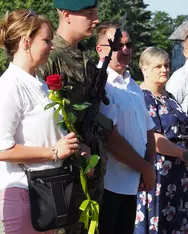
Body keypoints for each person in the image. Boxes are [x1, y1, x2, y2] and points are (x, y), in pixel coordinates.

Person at [0, 9, 81, 234]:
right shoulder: (9, 87)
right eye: (46, 40)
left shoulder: (39, 85)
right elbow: (2, 149)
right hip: (24, 193)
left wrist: (73, 147)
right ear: (26, 42)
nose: (52, 46)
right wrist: (54, 152)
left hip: (47, 191)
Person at [38, 1, 112, 233]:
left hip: (92, 175)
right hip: (66, 174)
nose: (96, 19)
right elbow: (43, 115)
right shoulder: (51, 58)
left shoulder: (85, 60)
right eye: (89, 14)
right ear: (67, 15)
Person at [95, 21, 156, 234]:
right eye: (117, 45)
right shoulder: (99, 83)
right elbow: (111, 137)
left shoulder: (132, 85)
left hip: (132, 183)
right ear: (100, 49)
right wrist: (145, 168)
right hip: (108, 184)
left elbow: (148, 131)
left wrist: (147, 167)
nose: (125, 49)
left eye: (128, 45)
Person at [134, 46, 188, 234]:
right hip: (158, 174)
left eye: (167, 65)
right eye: (158, 66)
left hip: (180, 174)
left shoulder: (169, 97)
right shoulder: (142, 97)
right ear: (144, 69)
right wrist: (183, 153)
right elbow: (152, 137)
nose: (164, 70)